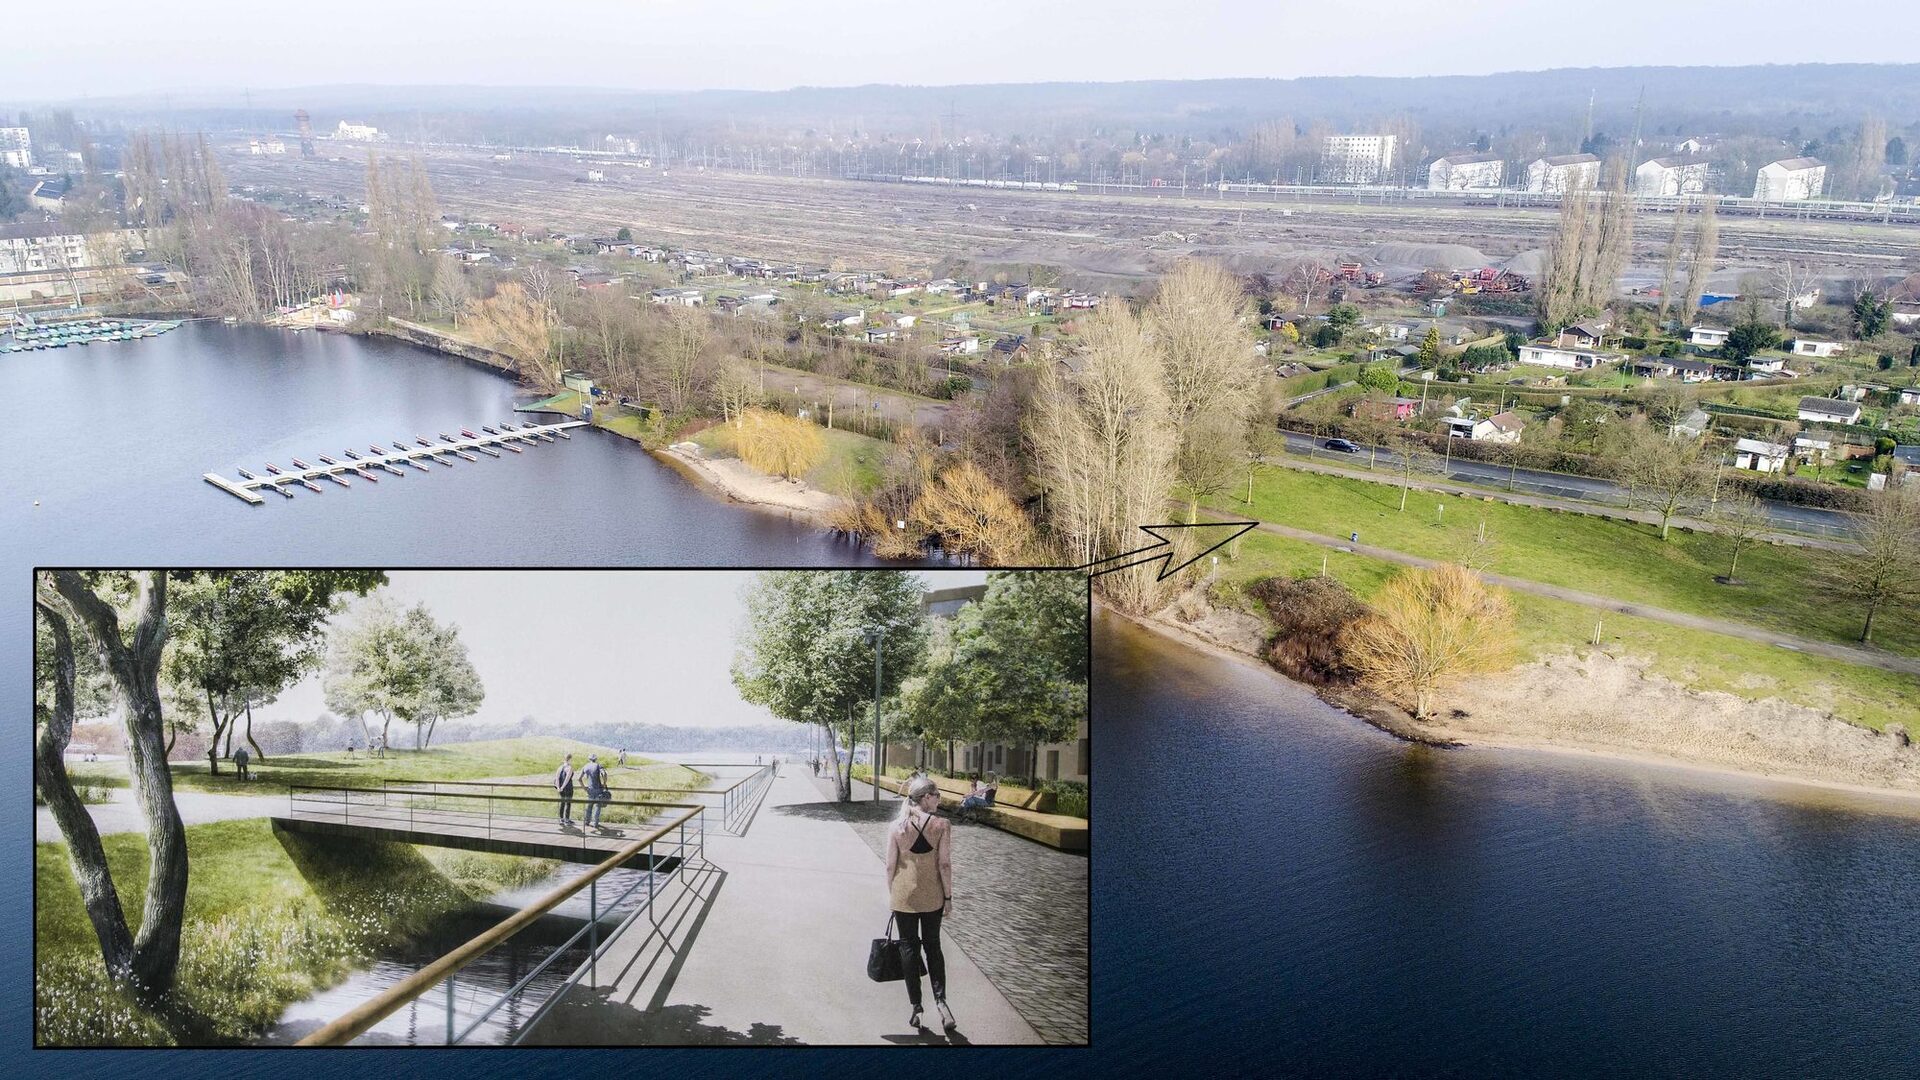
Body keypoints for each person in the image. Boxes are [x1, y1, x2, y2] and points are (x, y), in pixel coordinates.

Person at [886, 775, 956, 1033]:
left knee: (908, 948)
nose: (939, 800)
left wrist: (893, 894)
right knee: (933, 946)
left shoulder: (896, 826)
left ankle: (916, 1007)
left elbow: (890, 865)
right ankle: (941, 1002)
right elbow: (944, 864)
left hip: (903, 896)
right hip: (932, 896)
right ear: (926, 797)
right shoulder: (942, 825)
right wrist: (948, 897)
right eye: (937, 796)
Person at [580, 753, 609, 829]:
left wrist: (584, 788)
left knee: (589, 806)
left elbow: (579, 779)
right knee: (598, 806)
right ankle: (595, 823)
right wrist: (604, 783)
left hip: (590, 789)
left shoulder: (585, 766)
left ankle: (587, 821)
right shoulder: (598, 765)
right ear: (595, 759)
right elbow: (604, 774)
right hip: (598, 789)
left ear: (589, 759)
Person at [554, 753, 576, 826]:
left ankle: (561, 819)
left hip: (561, 788)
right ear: (570, 759)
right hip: (568, 787)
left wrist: (558, 787)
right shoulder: (570, 768)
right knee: (568, 803)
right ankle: (567, 819)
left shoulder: (560, 767)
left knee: (562, 802)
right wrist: (563, 787)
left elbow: (557, 778)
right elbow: (567, 779)